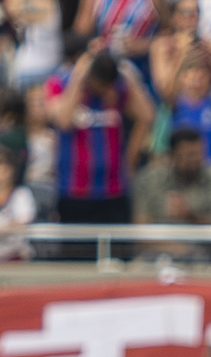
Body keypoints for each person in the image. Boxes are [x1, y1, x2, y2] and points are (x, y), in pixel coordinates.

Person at [47, 47, 154, 231]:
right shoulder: (59, 84)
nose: (106, 90)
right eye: (101, 85)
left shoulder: (118, 88)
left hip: (114, 190)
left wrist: (131, 78)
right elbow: (63, 121)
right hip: (74, 192)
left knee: (117, 247)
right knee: (76, 248)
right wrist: (78, 79)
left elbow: (147, 117)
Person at [133, 124, 211, 248]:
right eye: (189, 154)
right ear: (172, 155)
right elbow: (140, 232)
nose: (196, 159)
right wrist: (178, 249)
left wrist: (191, 216)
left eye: (199, 153)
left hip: (208, 253)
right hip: (158, 252)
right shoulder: (150, 180)